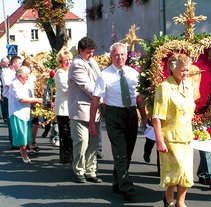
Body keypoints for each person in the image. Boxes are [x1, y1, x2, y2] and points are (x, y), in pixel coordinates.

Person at [89, 42, 147, 201]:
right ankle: (126, 185)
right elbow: (95, 100)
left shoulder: (133, 73)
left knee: (127, 151)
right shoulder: (104, 75)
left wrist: (144, 117)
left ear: (127, 55)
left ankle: (118, 181)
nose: (119, 57)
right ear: (111, 56)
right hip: (114, 114)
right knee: (120, 151)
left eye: (122, 54)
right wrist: (92, 122)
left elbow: (139, 98)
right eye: (116, 54)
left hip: (131, 114)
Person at [152, 53, 195, 207]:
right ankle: (168, 196)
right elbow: (156, 117)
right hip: (170, 138)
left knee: (186, 172)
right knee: (177, 170)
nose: (186, 73)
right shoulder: (164, 87)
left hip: (186, 136)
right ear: (173, 68)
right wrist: (159, 141)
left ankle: (180, 202)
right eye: (183, 70)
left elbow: (190, 111)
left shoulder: (188, 86)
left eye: (187, 69)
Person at [68, 36, 102, 183]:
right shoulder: (76, 64)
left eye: (92, 51)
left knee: (93, 143)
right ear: (80, 51)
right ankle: (79, 170)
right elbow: (88, 87)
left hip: (95, 110)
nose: (91, 55)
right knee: (81, 142)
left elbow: (100, 80)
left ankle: (91, 170)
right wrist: (105, 97)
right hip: (81, 111)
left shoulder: (91, 61)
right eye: (88, 52)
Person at [8, 66, 43, 163]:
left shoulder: (27, 83)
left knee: (27, 134)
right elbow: (21, 99)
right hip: (17, 112)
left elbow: (31, 95)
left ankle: (23, 149)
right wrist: (36, 100)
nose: (28, 77)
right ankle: (24, 153)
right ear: (20, 76)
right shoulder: (14, 84)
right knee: (21, 135)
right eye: (26, 76)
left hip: (26, 112)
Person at [54, 47, 73, 164]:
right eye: (66, 60)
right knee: (65, 135)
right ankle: (66, 158)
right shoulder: (60, 73)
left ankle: (71, 157)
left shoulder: (69, 72)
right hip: (63, 109)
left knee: (71, 135)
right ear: (61, 62)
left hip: (71, 107)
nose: (69, 62)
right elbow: (67, 89)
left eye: (70, 60)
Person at [1, 56, 22, 149]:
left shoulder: (19, 73)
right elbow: (8, 85)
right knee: (10, 120)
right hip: (8, 98)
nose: (20, 65)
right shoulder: (6, 72)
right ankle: (13, 141)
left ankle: (19, 140)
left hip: (18, 98)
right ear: (14, 64)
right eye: (19, 63)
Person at [22, 58, 40, 153]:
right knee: (28, 124)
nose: (31, 69)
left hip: (34, 101)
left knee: (35, 124)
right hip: (26, 102)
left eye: (32, 67)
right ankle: (29, 143)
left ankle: (33, 140)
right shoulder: (22, 76)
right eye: (29, 67)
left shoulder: (33, 76)